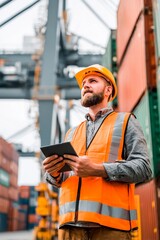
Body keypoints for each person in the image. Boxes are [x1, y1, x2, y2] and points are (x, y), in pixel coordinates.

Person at [43, 64, 152, 240]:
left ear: (108, 90)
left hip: (110, 229)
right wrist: (53, 172)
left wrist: (99, 169)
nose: (85, 85)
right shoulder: (71, 133)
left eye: (92, 81)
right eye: (83, 83)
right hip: (69, 230)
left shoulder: (125, 122)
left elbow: (144, 169)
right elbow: (64, 179)